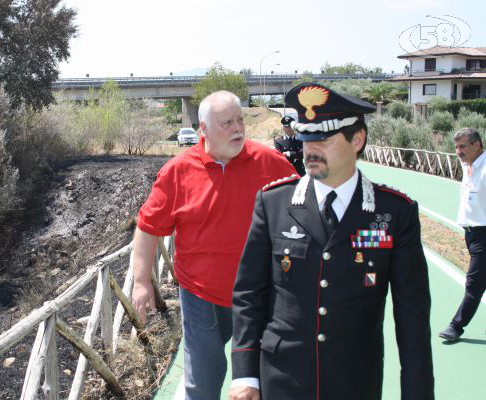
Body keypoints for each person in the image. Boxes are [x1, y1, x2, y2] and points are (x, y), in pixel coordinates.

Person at [230, 83, 434, 400]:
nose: (310, 148)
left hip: (354, 381)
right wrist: (244, 375)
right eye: (306, 137)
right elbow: (249, 294)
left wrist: (417, 392)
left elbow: (412, 316)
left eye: (323, 138)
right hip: (281, 378)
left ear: (357, 140)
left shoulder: (394, 213)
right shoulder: (273, 204)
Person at [131, 90, 296, 400]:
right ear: (203, 129)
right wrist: (141, 282)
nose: (237, 128)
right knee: (203, 382)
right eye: (226, 123)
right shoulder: (178, 171)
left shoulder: (271, 164)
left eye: (239, 120)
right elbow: (148, 226)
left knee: (261, 381)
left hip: (261, 292)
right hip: (201, 294)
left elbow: (302, 213)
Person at [439, 127, 486, 342]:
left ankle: (456, 326)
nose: (457, 151)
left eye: (462, 146)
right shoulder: (467, 165)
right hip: (471, 234)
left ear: (477, 145)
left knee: (474, 283)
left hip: (484, 234)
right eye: (456, 146)